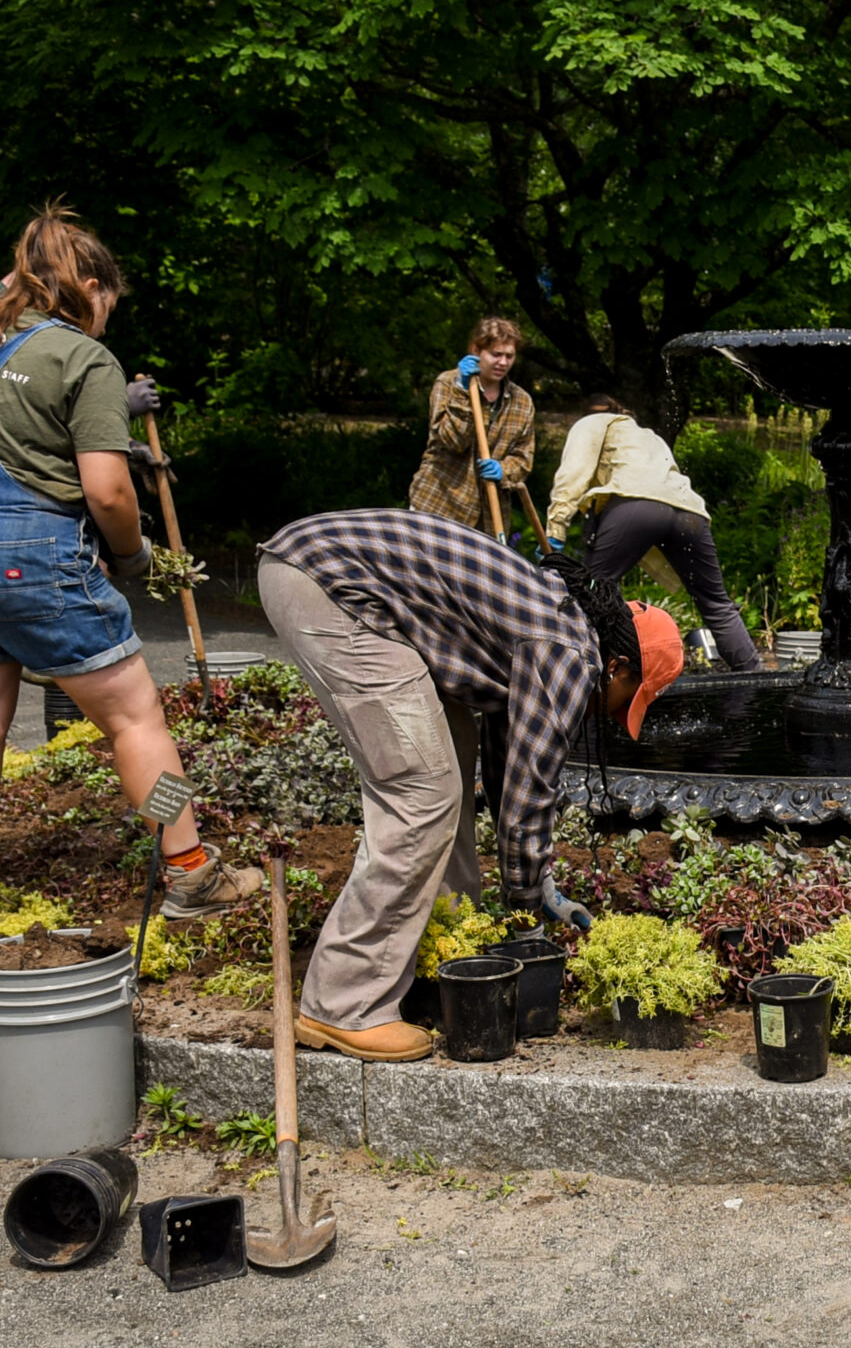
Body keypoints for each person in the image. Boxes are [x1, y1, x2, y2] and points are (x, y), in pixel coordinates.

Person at [0, 205, 259, 954]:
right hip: (24, 556)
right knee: (136, 718)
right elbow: (108, 492)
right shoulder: (82, 359)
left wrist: (28, 261)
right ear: (89, 286)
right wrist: (131, 557)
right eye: (107, 304)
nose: (106, 321)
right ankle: (191, 871)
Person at [255, 509, 682, 1062]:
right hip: (333, 589)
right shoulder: (572, 654)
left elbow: (511, 771)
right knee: (422, 794)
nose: (615, 711)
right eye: (632, 694)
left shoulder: (558, 626)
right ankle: (344, 1004)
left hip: (323, 568)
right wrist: (525, 917)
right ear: (619, 665)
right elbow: (531, 796)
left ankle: (448, 949)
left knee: (447, 773)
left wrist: (540, 889)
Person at [545, 393, 763, 671]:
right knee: (716, 603)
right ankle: (753, 679)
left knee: (593, 595)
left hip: (636, 507)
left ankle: (588, 680)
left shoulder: (590, 424)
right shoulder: (647, 435)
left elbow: (573, 473)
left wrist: (556, 527)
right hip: (688, 512)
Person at [410, 317, 536, 532]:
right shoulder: (448, 384)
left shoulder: (522, 401)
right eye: (496, 354)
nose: (503, 363)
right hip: (439, 506)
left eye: (509, 356)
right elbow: (452, 441)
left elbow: (523, 459)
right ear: (476, 350)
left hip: (488, 518)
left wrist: (503, 470)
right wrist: (462, 390)